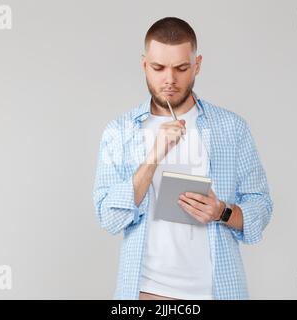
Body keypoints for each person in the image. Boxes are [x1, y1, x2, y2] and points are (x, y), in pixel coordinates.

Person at [93, 17, 273, 300]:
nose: (169, 79)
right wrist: (154, 156)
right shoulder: (119, 131)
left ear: (197, 65)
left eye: (181, 68)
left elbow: (261, 207)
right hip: (146, 293)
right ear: (144, 64)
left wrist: (221, 212)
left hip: (218, 292)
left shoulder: (231, 128)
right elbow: (109, 217)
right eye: (158, 68)